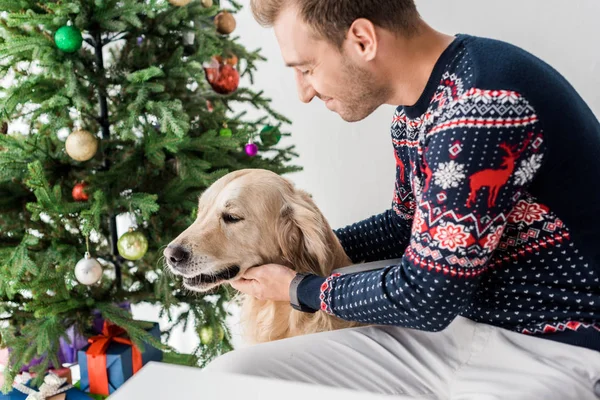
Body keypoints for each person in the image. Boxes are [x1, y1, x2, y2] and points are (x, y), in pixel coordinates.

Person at [203, 1, 600, 398]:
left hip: (554, 348)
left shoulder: (482, 109)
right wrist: (296, 242)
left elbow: (427, 296)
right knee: (231, 378)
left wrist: (298, 288)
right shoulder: (416, 110)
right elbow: (406, 225)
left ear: (362, 40)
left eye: (307, 69)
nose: (304, 92)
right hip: (451, 333)